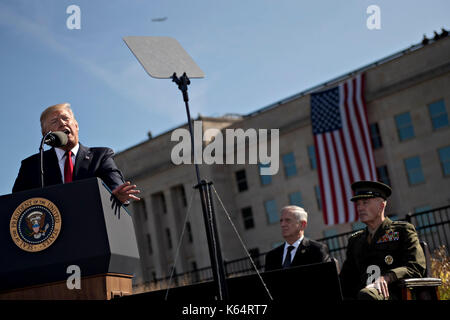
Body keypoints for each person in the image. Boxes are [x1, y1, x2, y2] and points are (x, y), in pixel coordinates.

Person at [12, 103, 140, 204]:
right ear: (46, 134)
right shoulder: (31, 165)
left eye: (65, 118)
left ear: (76, 126)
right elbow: (16, 204)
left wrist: (119, 195)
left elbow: (115, 186)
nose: (62, 123)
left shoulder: (101, 156)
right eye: (54, 121)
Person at [339, 181, 426, 300]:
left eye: (365, 202)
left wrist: (387, 277)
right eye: (358, 204)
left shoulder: (402, 231)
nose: (360, 208)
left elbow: (416, 267)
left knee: (366, 295)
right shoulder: (355, 241)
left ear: (381, 205)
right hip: (363, 295)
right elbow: (346, 279)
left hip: (394, 293)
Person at [265, 205, 331, 271]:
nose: (282, 224)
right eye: (281, 221)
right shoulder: (271, 256)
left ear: (302, 225)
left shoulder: (317, 250)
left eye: (288, 220)